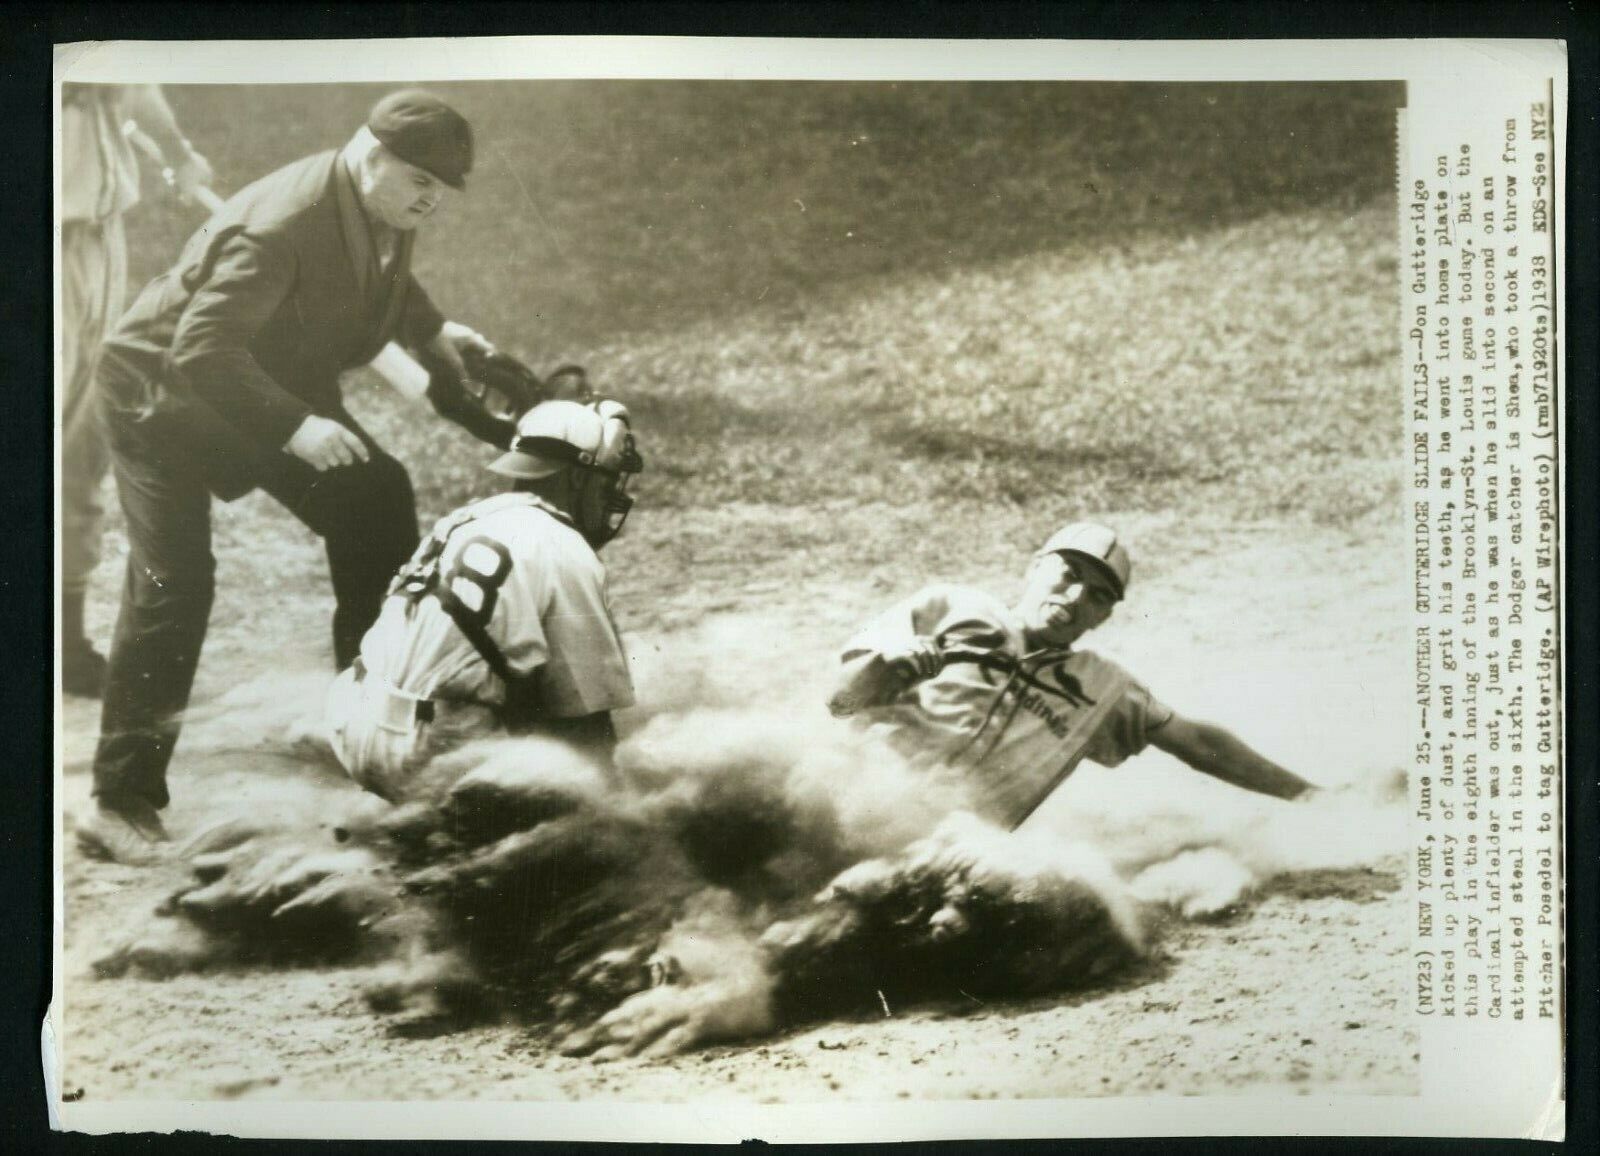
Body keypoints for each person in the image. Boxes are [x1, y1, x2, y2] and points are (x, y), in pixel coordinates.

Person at [80, 90, 506, 865]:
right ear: (372, 156)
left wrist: (431, 328)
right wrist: (299, 429)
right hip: (164, 395)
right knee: (177, 581)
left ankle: (370, 734)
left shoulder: (376, 202)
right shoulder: (282, 224)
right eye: (421, 181)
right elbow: (200, 352)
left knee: (376, 497)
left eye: (443, 190)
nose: (431, 200)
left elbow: (379, 274)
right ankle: (119, 799)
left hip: (265, 373)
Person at [827, 522, 1317, 832]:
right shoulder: (950, 606)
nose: (1077, 596)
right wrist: (885, 668)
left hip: (952, 849)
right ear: (1034, 568)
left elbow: (1196, 741)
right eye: (1068, 574)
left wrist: (1312, 797)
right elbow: (837, 702)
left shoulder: (1103, 689)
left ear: (1102, 618)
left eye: (1099, 595)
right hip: (852, 808)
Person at [326, 397, 645, 803]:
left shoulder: (465, 518)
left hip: (353, 720)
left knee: (504, 677)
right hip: (431, 755)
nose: (608, 495)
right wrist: (619, 810)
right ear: (577, 479)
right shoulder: (563, 547)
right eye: (604, 481)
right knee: (583, 794)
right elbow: (588, 720)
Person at [59, 84, 214, 696]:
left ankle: (66, 641)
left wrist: (178, 151)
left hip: (102, 241)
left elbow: (132, 78)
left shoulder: (107, 62)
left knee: (82, 442)